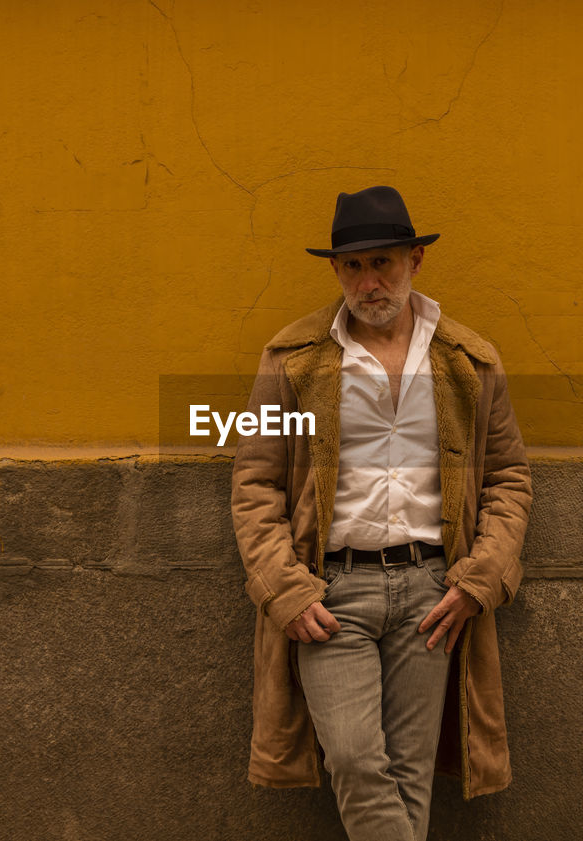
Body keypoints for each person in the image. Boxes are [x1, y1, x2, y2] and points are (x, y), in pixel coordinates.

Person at [231, 185, 532, 841]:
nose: (370, 281)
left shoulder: (468, 359)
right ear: (337, 271)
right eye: (354, 266)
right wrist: (283, 586)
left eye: (384, 263)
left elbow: (509, 476)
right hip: (332, 594)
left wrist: (480, 578)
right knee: (355, 759)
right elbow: (254, 481)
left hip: (432, 593)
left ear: (416, 260)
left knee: (407, 772)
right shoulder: (291, 358)